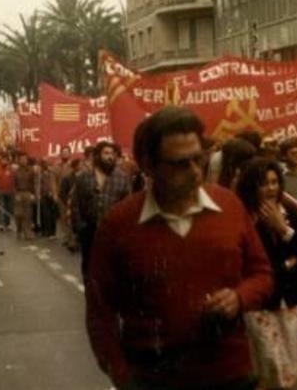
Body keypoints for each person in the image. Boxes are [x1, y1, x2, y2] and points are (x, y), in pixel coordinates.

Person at [86, 107, 274, 390]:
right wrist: (122, 375)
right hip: (153, 378)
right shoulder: (118, 224)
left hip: (230, 374)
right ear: (148, 165)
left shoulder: (230, 206)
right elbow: (100, 313)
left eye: (198, 159)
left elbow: (262, 274)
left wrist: (239, 297)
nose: (195, 171)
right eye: (180, 163)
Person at [236, 158, 297, 389]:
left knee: (288, 370)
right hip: (261, 306)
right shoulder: (243, 216)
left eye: (274, 182)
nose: (271, 188)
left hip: (290, 301)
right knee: (265, 368)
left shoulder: (289, 210)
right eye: (264, 183)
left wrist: (283, 229)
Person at [72, 141, 131, 277]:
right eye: (106, 153)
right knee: (89, 267)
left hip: (113, 232)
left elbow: (128, 205)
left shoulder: (122, 178)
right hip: (89, 231)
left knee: (111, 269)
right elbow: (76, 204)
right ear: (98, 155)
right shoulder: (84, 178)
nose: (110, 157)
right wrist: (79, 227)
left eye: (112, 154)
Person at [12, 154, 37, 240]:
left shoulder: (31, 170)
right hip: (19, 193)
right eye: (22, 159)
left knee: (28, 214)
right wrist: (15, 194)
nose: (23, 161)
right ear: (19, 160)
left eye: (25, 159)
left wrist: (33, 194)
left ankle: (27, 233)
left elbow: (34, 183)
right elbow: (13, 184)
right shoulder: (16, 171)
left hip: (28, 193)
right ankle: (19, 230)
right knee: (18, 214)